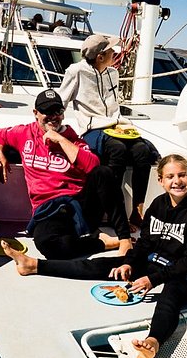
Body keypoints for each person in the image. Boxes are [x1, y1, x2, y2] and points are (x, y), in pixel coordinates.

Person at [2, 154, 187, 358]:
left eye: (182, 175)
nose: (177, 181)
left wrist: (153, 279)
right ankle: (34, 265)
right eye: (170, 176)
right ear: (160, 181)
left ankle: (153, 342)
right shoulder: (158, 206)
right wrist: (129, 263)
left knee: (170, 294)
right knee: (103, 265)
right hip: (157, 261)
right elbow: (144, 244)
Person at [0, 88, 131, 259]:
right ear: (35, 113)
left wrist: (61, 140)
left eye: (57, 111)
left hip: (80, 205)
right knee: (48, 246)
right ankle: (103, 243)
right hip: (48, 208)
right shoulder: (24, 134)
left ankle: (124, 239)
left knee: (104, 172)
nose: (53, 116)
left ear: (63, 114)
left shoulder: (73, 139)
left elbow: (93, 166)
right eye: (46, 111)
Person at [58, 34, 160, 227]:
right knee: (118, 150)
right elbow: (61, 101)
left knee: (142, 151)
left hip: (117, 126)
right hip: (93, 129)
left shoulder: (113, 73)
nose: (115, 52)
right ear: (100, 56)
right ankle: (114, 212)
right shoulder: (76, 71)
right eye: (111, 50)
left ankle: (138, 210)